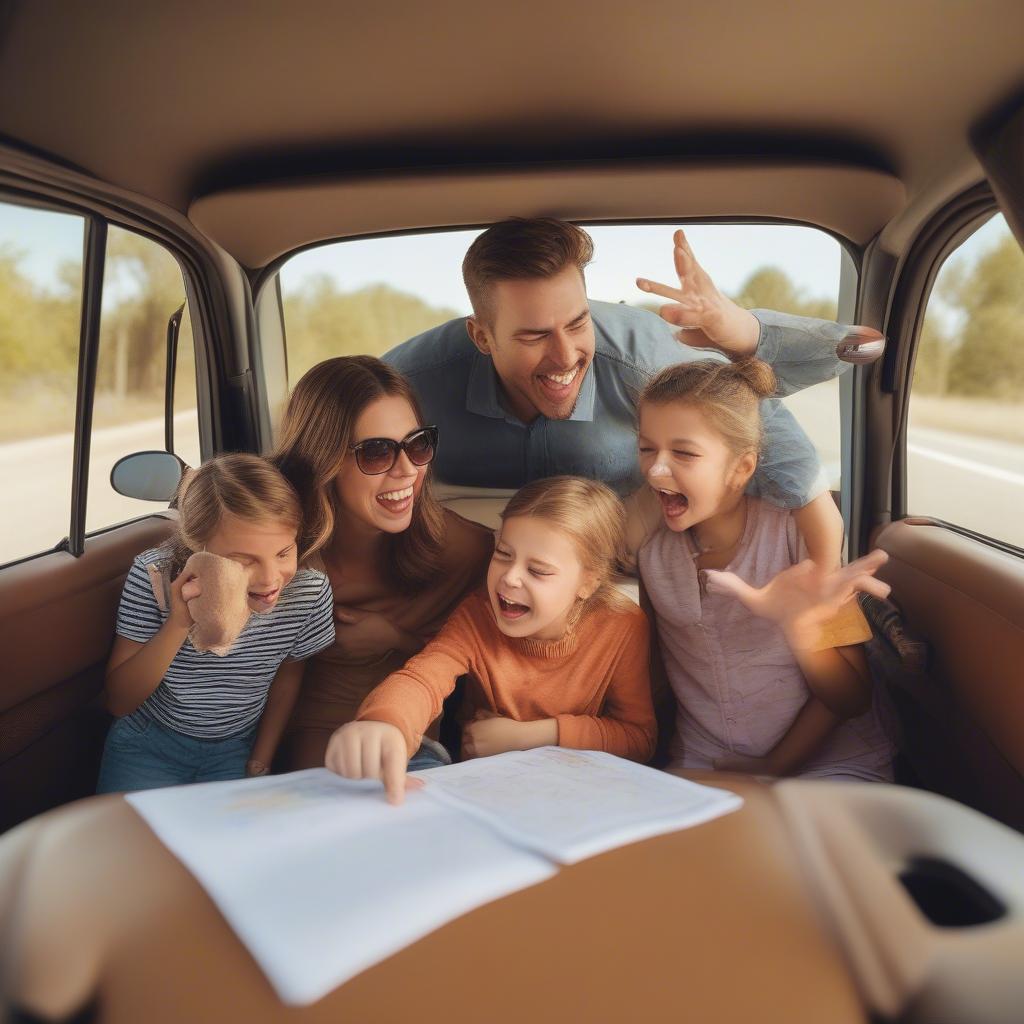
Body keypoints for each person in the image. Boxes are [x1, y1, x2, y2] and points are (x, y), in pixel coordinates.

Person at [384, 218, 853, 563]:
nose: (565, 356)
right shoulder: (408, 383)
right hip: (469, 563)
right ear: (481, 336)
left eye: (578, 322)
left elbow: (782, 408)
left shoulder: (645, 359)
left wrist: (745, 332)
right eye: (534, 336)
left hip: (617, 562)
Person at [636, 359, 895, 781]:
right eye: (647, 448)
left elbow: (852, 699)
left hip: (830, 764)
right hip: (706, 758)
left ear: (741, 468)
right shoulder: (652, 552)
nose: (656, 469)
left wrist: (802, 628)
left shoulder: (799, 542)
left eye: (683, 452)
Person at [325, 476, 656, 803]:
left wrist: (529, 737)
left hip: (573, 793)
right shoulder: (477, 614)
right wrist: (386, 722)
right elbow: (423, 677)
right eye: (503, 553)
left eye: (538, 570)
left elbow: (639, 737)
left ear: (588, 583)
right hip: (485, 790)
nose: (510, 578)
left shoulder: (623, 627)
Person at [271, 356, 495, 771]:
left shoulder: (465, 551)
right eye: (376, 452)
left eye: (418, 444)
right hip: (299, 758)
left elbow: (487, 670)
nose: (408, 470)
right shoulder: (277, 555)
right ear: (323, 460)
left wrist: (395, 638)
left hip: (410, 753)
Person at [96, 454, 335, 793]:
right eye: (244, 560)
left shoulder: (307, 592)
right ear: (198, 547)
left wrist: (261, 759)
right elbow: (119, 701)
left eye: (284, 552)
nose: (270, 580)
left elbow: (287, 676)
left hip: (234, 749)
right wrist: (179, 622)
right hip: (148, 742)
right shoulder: (154, 577)